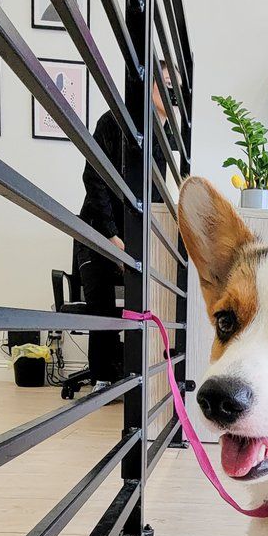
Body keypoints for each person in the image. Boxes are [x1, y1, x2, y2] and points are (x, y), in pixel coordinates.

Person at [73, 63, 175, 393]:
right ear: (147, 86)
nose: (171, 90)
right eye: (165, 83)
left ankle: (135, 381)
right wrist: (112, 234)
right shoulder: (113, 123)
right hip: (99, 231)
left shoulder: (163, 138)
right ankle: (102, 382)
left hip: (135, 236)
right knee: (103, 309)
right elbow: (96, 179)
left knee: (141, 307)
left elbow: (156, 194)